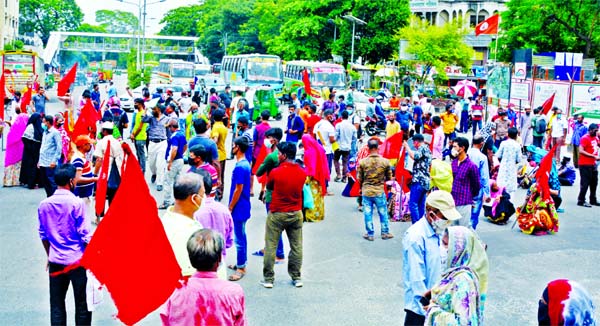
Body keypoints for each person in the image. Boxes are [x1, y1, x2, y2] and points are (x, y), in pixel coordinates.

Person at [38, 164, 92, 325]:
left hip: (56, 261)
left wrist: (50, 255)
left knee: (57, 305)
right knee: (82, 305)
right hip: (77, 261)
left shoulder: (44, 205)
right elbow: (85, 235)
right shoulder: (77, 204)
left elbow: (43, 235)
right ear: (70, 181)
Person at [160, 229, 246, 325]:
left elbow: (166, 320)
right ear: (219, 258)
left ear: (190, 258)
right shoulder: (233, 291)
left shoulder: (175, 292)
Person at [402, 190, 462, 326]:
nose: (448, 222)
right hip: (420, 309)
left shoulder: (439, 231)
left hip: (437, 303)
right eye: (445, 217)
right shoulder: (415, 237)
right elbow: (416, 279)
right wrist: (429, 309)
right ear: (431, 214)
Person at [261, 142, 307, 289]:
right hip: (295, 213)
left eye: (279, 153)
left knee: (271, 246)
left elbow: (269, 187)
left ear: (284, 155)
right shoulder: (302, 172)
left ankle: (268, 279)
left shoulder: (275, 172)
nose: (278, 155)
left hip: (277, 213)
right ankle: (296, 276)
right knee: (296, 246)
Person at [424, 226, 489, 325]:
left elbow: (463, 322)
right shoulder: (453, 271)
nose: (441, 248)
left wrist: (433, 311)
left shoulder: (463, 280)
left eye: (446, 245)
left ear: (459, 250)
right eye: (442, 243)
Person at [192, 168, 233, 280]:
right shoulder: (224, 210)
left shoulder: (193, 213)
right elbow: (229, 242)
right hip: (219, 267)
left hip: (197, 271)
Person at [161, 173, 204, 277]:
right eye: (203, 195)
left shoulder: (166, 218)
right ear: (194, 198)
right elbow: (187, 274)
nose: (204, 198)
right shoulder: (184, 234)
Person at [357, 138, 394, 241]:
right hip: (379, 191)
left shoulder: (363, 162)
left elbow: (359, 179)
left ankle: (370, 234)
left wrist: (361, 188)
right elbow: (389, 178)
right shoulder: (385, 162)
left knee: (367, 213)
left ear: (368, 148)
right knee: (383, 212)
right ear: (378, 148)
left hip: (367, 191)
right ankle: (385, 232)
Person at [227, 137, 252, 282]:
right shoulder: (244, 164)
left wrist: (230, 207)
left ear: (237, 147)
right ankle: (241, 262)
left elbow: (238, 189)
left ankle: (241, 266)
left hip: (239, 206)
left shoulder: (240, 167)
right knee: (241, 235)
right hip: (242, 205)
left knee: (239, 237)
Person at [450, 137, 481, 226]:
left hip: (464, 202)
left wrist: (470, 196)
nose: (453, 149)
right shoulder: (454, 163)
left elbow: (476, 185)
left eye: (455, 147)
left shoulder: (471, 166)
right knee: (452, 230)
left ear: (462, 148)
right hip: (452, 201)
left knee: (463, 229)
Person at [93, 122, 124, 207]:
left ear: (104, 131)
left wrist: (95, 174)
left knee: (100, 194)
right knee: (113, 196)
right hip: (116, 171)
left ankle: (99, 217)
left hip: (105, 171)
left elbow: (99, 160)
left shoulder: (101, 142)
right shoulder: (118, 142)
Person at [160, 119, 188, 209]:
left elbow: (174, 149)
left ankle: (166, 201)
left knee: (167, 181)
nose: (168, 129)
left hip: (174, 161)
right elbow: (185, 146)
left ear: (172, 127)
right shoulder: (181, 134)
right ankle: (178, 200)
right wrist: (181, 154)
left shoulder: (174, 136)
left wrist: (170, 162)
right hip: (180, 160)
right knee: (177, 181)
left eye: (169, 127)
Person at [404, 134, 432, 223]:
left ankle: (416, 225)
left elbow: (414, 156)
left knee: (413, 204)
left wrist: (407, 147)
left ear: (416, 142)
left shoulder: (422, 148)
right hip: (425, 181)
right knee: (420, 205)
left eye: (414, 143)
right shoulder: (427, 148)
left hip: (419, 180)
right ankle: (421, 225)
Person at [302, 134, 330, 222]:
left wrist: (306, 178)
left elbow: (311, 167)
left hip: (312, 177)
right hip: (319, 176)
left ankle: (312, 215)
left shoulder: (309, 152)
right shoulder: (318, 148)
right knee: (318, 196)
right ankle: (319, 214)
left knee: (311, 196)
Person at [143, 103, 170, 191]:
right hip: (152, 143)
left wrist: (170, 143)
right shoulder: (151, 118)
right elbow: (143, 120)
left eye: (155, 109)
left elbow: (169, 131)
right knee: (151, 163)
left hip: (162, 142)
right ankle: (154, 173)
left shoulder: (167, 119)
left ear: (159, 110)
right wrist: (145, 110)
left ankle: (160, 182)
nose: (153, 110)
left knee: (160, 163)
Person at [71, 135, 98, 222]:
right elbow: (77, 179)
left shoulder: (81, 157)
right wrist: (93, 179)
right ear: (83, 146)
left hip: (85, 193)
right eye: (89, 144)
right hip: (81, 194)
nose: (90, 146)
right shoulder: (78, 159)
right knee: (83, 219)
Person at [468, 135, 490, 229]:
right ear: (482, 144)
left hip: (464, 186)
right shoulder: (482, 157)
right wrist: (487, 193)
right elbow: (484, 176)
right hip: (476, 187)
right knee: (474, 213)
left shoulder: (465, 153)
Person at [3, 108, 28, 186]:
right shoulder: (24, 132)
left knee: (10, 166)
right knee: (18, 166)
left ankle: (8, 181)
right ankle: (17, 181)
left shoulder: (12, 131)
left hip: (10, 153)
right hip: (19, 153)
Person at [38, 115, 63, 197]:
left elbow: (59, 148)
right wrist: (39, 161)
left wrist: (54, 161)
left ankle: (55, 198)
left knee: (52, 182)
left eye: (43, 122)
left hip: (50, 162)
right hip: (43, 162)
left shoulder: (55, 133)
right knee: (45, 182)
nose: (42, 123)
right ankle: (49, 198)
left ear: (48, 123)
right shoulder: (45, 132)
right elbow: (43, 147)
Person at [577, 123, 600, 207]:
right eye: (595, 130)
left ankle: (593, 200)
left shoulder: (596, 138)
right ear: (590, 130)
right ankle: (581, 200)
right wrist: (593, 156)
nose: (596, 132)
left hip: (593, 164)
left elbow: (597, 145)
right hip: (585, 164)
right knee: (585, 183)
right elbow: (581, 151)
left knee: (594, 182)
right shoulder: (585, 138)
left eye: (597, 130)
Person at [496, 128, 522, 197]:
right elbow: (519, 159)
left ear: (508, 134)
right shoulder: (517, 145)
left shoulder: (503, 143)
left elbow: (498, 155)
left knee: (501, 188)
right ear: (516, 136)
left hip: (503, 167)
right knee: (511, 192)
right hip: (512, 169)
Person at [20, 113, 43, 188]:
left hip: (37, 150)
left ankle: (37, 182)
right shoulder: (30, 127)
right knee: (31, 167)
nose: (40, 120)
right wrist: (31, 148)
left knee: (37, 166)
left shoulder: (40, 126)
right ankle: (31, 183)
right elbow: (25, 139)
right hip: (30, 151)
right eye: (39, 119)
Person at [334, 110, 357, 182]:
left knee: (336, 159)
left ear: (341, 117)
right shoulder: (352, 127)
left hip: (338, 146)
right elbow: (354, 138)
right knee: (345, 162)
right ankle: (344, 177)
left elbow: (336, 136)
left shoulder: (338, 125)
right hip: (347, 147)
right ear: (348, 117)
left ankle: (338, 174)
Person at [211, 109, 229, 201]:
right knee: (221, 175)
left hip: (216, 155)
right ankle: (220, 193)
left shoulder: (215, 127)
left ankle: (217, 194)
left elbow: (215, 139)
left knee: (216, 175)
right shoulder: (224, 127)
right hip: (223, 153)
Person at [314, 109, 336, 178]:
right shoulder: (330, 127)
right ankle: (325, 185)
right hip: (327, 151)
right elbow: (331, 140)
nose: (333, 117)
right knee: (326, 170)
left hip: (318, 150)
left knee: (319, 169)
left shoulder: (317, 124)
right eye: (332, 115)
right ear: (329, 116)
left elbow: (314, 136)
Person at [129, 98, 148, 173]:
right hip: (137, 137)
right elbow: (135, 126)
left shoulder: (143, 114)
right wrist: (132, 134)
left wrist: (134, 135)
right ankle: (140, 169)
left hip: (141, 137)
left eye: (136, 103)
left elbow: (140, 127)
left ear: (140, 104)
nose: (134, 105)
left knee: (141, 154)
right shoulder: (138, 113)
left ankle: (142, 170)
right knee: (138, 154)